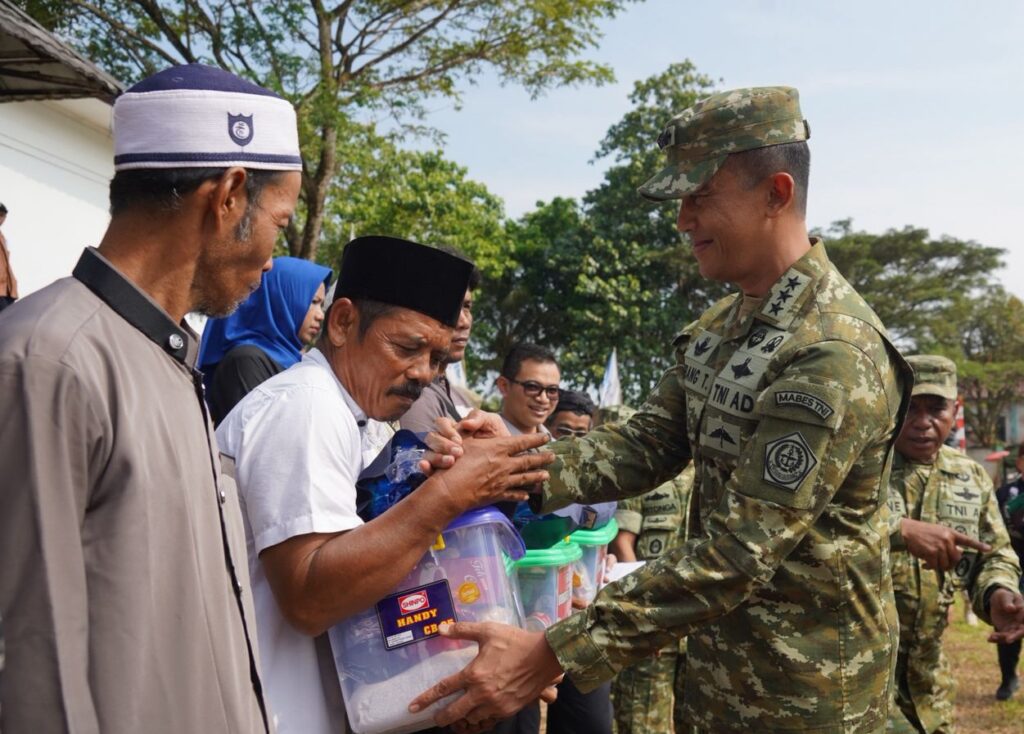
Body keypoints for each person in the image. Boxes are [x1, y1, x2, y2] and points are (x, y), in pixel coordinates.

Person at [411, 86, 917, 733]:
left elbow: (739, 551)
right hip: (713, 680)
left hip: (809, 698)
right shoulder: (724, 325)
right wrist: (509, 462)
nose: (682, 219)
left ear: (777, 193)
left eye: (700, 196)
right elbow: (644, 443)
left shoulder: (832, 351)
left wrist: (550, 653)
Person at [0, 63, 306, 732]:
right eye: (279, 225)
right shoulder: (49, 361)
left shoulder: (166, 360)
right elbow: (33, 661)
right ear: (229, 195)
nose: (272, 258)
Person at [215, 235, 554, 734]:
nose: (422, 373)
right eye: (407, 347)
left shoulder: (358, 417)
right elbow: (311, 598)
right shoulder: (306, 407)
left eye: (438, 360)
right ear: (343, 321)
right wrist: (451, 493)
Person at [886, 355, 1024, 733]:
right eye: (910, 407)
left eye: (936, 408)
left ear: (955, 409)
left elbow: (993, 553)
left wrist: (997, 591)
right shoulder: (860, 467)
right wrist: (898, 529)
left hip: (930, 688)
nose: (922, 421)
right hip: (858, 682)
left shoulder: (970, 475)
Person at [604, 406, 696, 734]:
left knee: (700, 719)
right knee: (641, 719)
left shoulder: (719, 473)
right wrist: (643, 610)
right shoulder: (649, 470)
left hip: (701, 623)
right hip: (655, 618)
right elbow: (623, 545)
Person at [199, 255, 332, 424]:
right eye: (313, 302)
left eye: (321, 305)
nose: (320, 315)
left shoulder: (297, 361)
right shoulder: (246, 362)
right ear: (280, 300)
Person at [400, 257, 481, 434]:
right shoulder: (412, 395)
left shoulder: (451, 392)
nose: (463, 322)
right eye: (450, 307)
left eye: (467, 306)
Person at [994, 442, 1024, 700]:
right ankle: (1008, 677)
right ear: (1020, 463)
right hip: (1013, 569)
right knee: (1009, 623)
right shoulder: (1007, 494)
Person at [496, 343, 561, 436]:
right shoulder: (478, 443)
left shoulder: (558, 448)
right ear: (504, 386)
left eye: (552, 390)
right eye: (533, 387)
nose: (543, 399)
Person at [0, 203, 18, 313]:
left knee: (8, 318)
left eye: (3, 216)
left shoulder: (2, 238)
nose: (2, 219)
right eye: (0, 215)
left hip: (6, 288)